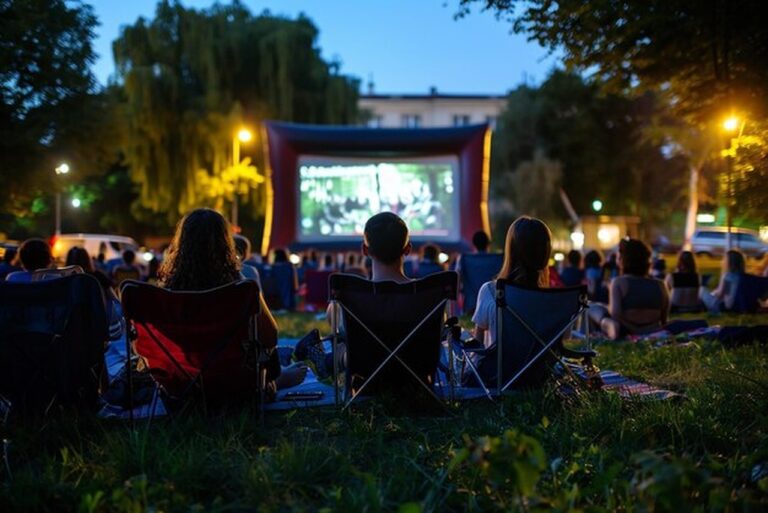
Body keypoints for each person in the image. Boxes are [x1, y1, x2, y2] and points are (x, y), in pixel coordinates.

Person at [158, 208, 306, 390]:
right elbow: (270, 337)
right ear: (226, 243)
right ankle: (273, 381)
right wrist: (239, 276)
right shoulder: (241, 288)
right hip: (235, 383)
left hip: (181, 384)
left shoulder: (166, 293)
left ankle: (275, 377)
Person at [471, 216, 552, 349]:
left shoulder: (491, 292)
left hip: (502, 363)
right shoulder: (554, 300)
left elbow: (477, 345)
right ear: (546, 253)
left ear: (511, 251)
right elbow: (563, 338)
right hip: (543, 363)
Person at [588, 238, 670, 340]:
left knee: (590, 307)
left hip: (627, 330)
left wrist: (607, 304)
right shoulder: (661, 284)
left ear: (623, 258)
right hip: (652, 329)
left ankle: (603, 332)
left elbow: (615, 315)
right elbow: (664, 319)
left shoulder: (618, 282)